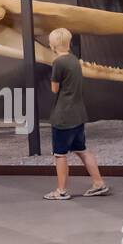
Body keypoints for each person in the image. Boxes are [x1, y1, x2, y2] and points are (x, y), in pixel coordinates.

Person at [44, 27, 110, 200]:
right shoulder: (74, 60)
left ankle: (61, 190)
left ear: (52, 45)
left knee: (60, 154)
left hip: (63, 116)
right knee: (82, 150)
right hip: (78, 114)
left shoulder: (58, 63)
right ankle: (98, 183)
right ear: (69, 42)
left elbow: (54, 88)